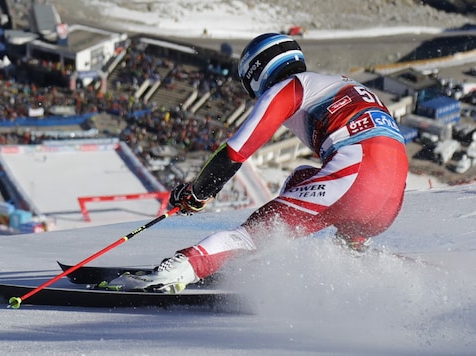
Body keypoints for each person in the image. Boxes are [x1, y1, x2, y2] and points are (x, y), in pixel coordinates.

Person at [107, 33, 409, 293]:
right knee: (301, 177)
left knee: (251, 233)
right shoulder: (339, 84)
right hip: (388, 203)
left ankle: (176, 272)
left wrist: (198, 193)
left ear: (255, 72)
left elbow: (236, 152)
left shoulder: (290, 87)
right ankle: (355, 256)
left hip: (356, 178)